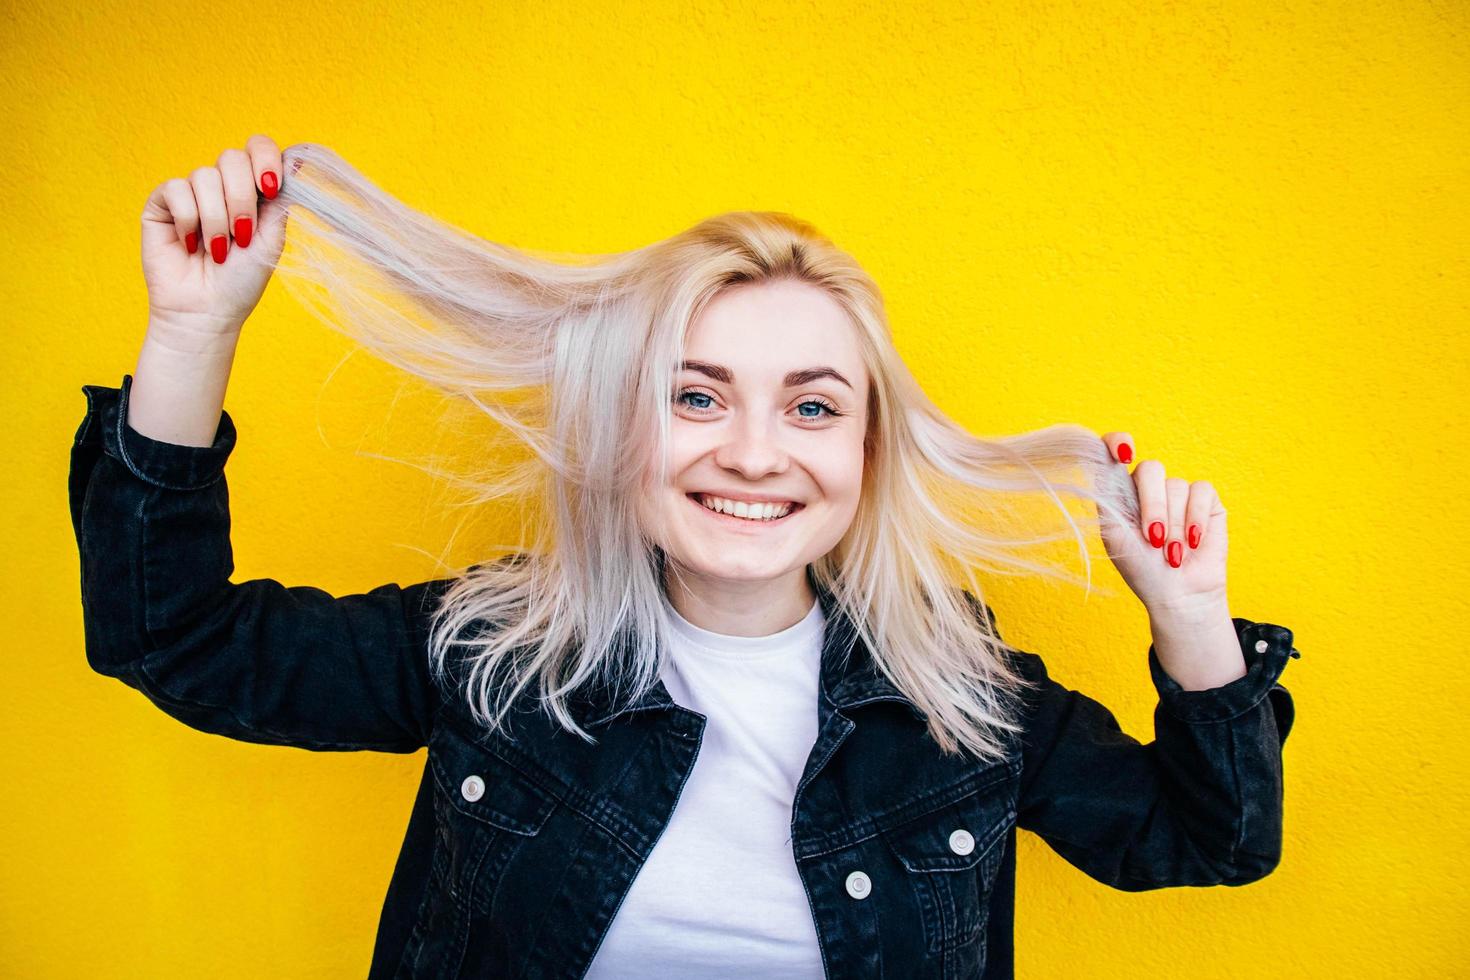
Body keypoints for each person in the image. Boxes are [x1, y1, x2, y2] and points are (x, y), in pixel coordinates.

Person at [70, 134, 1300, 979]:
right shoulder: (495, 655)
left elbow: (1209, 840)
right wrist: (193, 329)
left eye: (813, 407)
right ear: (621, 424)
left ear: (868, 453)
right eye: (696, 395)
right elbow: (175, 638)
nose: (755, 453)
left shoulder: (965, 698)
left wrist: (1190, 613)